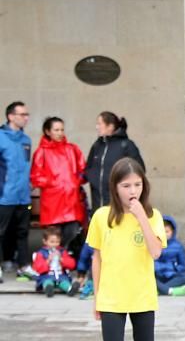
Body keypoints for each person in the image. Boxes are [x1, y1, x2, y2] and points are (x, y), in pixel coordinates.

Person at [85, 157, 167, 341]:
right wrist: (96, 297)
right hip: (112, 298)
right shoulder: (102, 217)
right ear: (115, 187)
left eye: (137, 184)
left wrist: (141, 217)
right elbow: (97, 258)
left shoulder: (153, 215)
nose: (132, 190)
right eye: (126, 185)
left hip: (143, 297)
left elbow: (156, 252)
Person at [30, 117, 87, 258]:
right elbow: (35, 177)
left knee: (72, 231)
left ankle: (63, 259)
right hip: (53, 202)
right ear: (47, 131)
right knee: (54, 235)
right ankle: (54, 262)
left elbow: (83, 170)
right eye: (56, 130)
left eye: (62, 129)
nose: (60, 133)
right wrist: (54, 181)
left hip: (71, 200)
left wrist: (75, 182)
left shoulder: (72, 149)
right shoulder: (41, 152)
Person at [0, 102, 33, 282]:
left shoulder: (26, 140)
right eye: (22, 114)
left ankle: (23, 266)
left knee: (22, 233)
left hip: (22, 196)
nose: (26, 117)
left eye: (27, 114)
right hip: (5, 196)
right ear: (11, 116)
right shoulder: (1, 137)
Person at [85, 111, 144, 209]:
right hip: (97, 202)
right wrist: (93, 179)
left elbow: (139, 169)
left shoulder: (126, 145)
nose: (97, 127)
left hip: (118, 204)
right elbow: (89, 167)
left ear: (110, 126)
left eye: (100, 124)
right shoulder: (97, 146)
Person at [31, 225, 78, 297]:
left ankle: (70, 289)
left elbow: (72, 264)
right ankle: (48, 289)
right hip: (47, 275)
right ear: (45, 241)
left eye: (57, 242)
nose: (55, 244)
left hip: (61, 275)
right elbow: (37, 268)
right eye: (52, 242)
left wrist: (61, 259)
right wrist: (48, 260)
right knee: (47, 282)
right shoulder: (41, 253)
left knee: (64, 282)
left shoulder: (62, 251)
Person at [154, 215, 185, 297]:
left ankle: (159, 290)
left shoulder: (178, 246)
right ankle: (170, 291)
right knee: (150, 278)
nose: (165, 234)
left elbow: (183, 265)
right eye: (162, 231)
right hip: (157, 274)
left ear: (172, 232)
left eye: (167, 231)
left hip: (171, 275)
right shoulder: (153, 244)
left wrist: (175, 268)